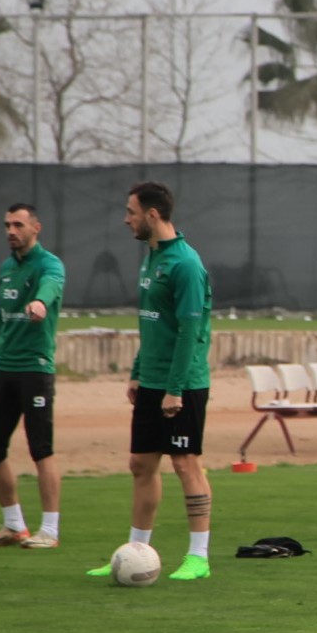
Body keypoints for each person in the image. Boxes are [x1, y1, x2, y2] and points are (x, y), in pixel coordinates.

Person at [87, 181, 215, 582]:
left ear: (152, 215)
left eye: (131, 212)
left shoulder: (186, 264)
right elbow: (152, 324)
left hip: (184, 383)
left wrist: (174, 389)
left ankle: (198, 558)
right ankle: (134, 550)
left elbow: (189, 331)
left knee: (185, 463)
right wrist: (139, 373)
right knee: (141, 464)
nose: (126, 219)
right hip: (153, 381)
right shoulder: (150, 258)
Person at [0, 203, 66, 549]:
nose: (11, 231)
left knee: (41, 450)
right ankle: (14, 526)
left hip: (34, 369)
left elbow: (51, 287)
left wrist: (40, 303)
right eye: (7, 225)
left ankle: (51, 531)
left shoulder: (49, 264)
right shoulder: (5, 269)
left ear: (35, 228)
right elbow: (1, 321)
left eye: (18, 225)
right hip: (2, 369)